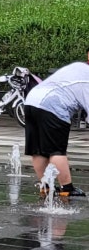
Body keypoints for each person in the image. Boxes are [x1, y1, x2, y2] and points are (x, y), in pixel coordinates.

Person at [24, 60, 89, 197]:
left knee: (38, 150)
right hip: (53, 104)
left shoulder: (78, 67)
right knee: (56, 151)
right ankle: (67, 189)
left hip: (31, 101)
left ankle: (45, 187)